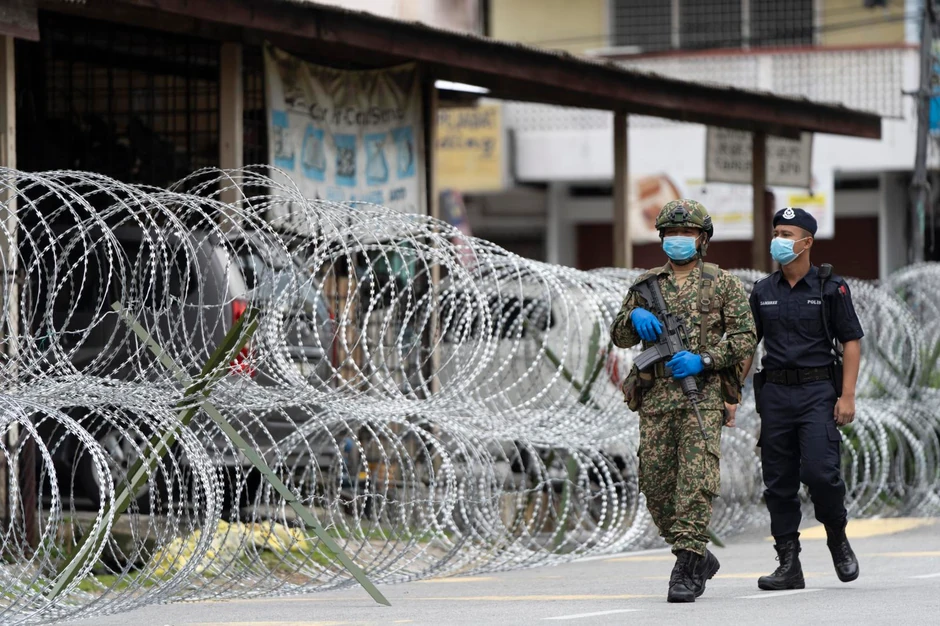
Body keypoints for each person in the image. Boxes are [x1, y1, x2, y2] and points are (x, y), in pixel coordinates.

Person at [611, 199, 757, 603]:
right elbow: (620, 338)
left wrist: (706, 359)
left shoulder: (721, 283)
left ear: (702, 239)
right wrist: (632, 319)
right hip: (656, 398)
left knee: (695, 482)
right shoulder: (645, 285)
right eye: (671, 234)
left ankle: (687, 568)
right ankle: (696, 553)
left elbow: (745, 338)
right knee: (657, 487)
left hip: (703, 395)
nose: (678, 240)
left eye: (687, 233)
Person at [745, 207, 863, 591]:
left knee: (820, 473)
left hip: (817, 393)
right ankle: (788, 564)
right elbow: (749, 346)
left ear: (807, 242)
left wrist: (847, 396)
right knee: (778, 482)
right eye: (776, 232)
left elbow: (850, 341)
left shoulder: (830, 287)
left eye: (787, 234)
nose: (778, 240)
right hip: (776, 394)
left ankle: (836, 536)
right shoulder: (762, 291)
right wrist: (732, 394)